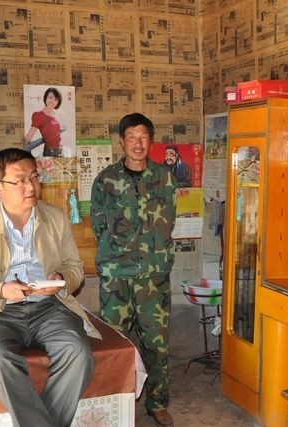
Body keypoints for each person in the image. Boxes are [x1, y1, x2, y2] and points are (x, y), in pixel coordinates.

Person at [0, 148, 102, 427]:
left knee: (78, 353)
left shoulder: (55, 218)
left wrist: (60, 279)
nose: (30, 186)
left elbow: (75, 268)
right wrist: (1, 291)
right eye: (19, 180)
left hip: (48, 308)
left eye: (34, 177)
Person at [90, 113, 177, 427]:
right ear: (122, 141)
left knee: (157, 345)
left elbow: (169, 221)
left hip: (154, 277)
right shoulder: (105, 180)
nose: (138, 143)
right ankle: (113, 400)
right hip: (117, 278)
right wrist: (117, 255)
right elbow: (98, 225)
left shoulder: (165, 177)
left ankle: (158, 403)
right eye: (131, 137)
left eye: (143, 137)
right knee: (114, 345)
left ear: (150, 141)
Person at [24, 87, 64, 157]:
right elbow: (29, 138)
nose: (52, 101)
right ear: (45, 97)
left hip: (59, 150)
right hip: (50, 152)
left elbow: (54, 134)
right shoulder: (38, 115)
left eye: (56, 99)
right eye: (50, 97)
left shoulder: (54, 115)